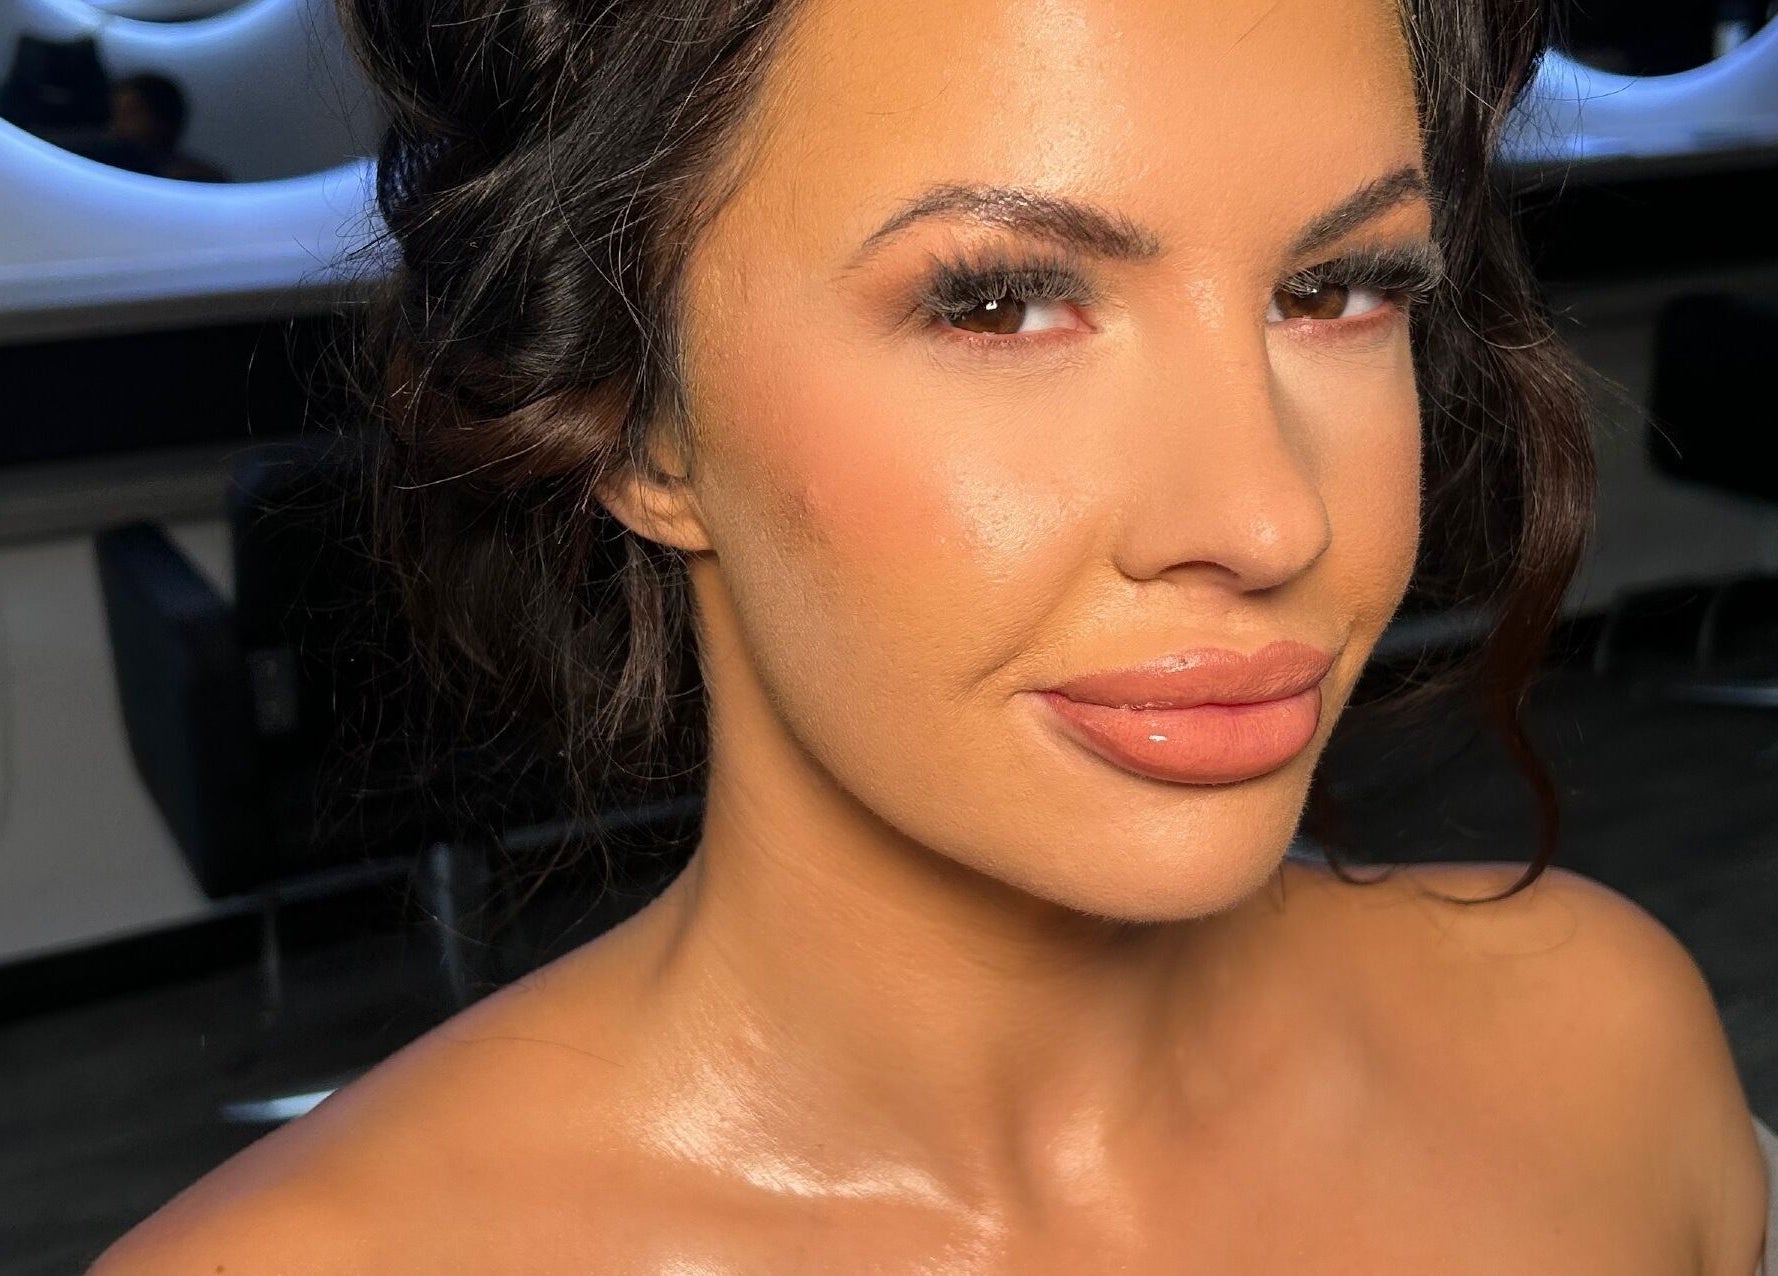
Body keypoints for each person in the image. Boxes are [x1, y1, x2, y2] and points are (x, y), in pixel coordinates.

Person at [93, 0, 1774, 1269]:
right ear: (631, 417)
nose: (1268, 521)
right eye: (999, 301)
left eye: (1338, 289)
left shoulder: (1598, 1055)